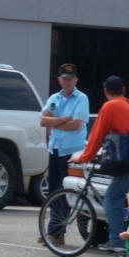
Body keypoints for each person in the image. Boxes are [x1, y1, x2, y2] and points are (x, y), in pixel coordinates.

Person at [71, 75, 129, 253]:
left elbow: (97, 135)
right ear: (124, 91)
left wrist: (84, 157)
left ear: (105, 92)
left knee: (113, 197)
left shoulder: (110, 106)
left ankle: (117, 241)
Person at [38, 63, 89, 244]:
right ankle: (55, 232)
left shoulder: (81, 98)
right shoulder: (55, 98)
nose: (67, 82)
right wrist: (62, 119)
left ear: (76, 80)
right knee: (53, 191)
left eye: (70, 78)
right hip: (55, 148)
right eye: (64, 78)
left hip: (71, 152)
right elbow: (42, 121)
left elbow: (76, 125)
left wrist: (54, 122)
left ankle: (54, 232)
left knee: (63, 190)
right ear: (59, 80)